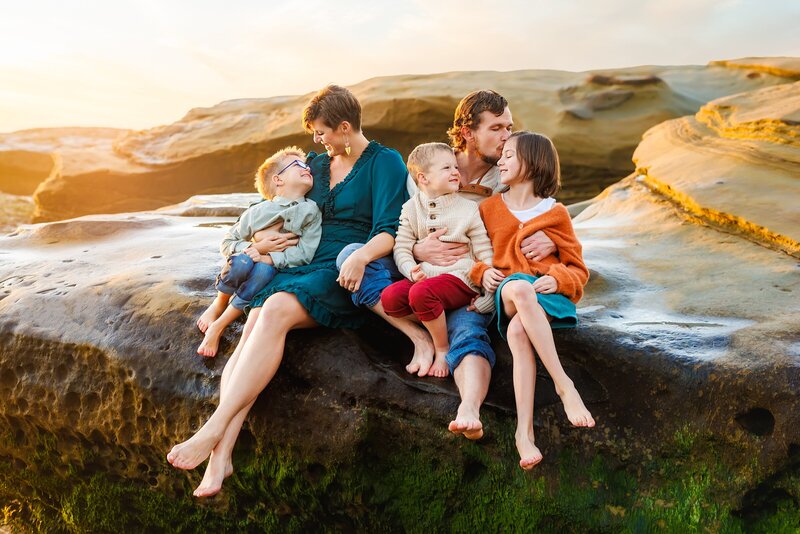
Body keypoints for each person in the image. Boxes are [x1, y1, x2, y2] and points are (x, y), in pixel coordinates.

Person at [167, 85, 409, 497]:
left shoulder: (385, 164)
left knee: (274, 309)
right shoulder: (314, 163)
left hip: (341, 265)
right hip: (299, 258)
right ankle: (221, 453)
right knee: (254, 320)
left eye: (322, 133)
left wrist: (361, 256)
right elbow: (276, 204)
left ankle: (212, 429)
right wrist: (256, 246)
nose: (317, 142)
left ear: (345, 127)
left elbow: (390, 228)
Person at [480, 131, 594, 470]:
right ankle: (564, 385)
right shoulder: (488, 208)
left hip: (545, 294)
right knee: (519, 289)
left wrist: (556, 277)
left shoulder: (556, 214)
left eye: (509, 155)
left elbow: (578, 269)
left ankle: (523, 434)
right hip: (509, 290)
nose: (500, 161)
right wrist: (481, 273)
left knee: (518, 334)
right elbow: (476, 255)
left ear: (532, 162)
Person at [380, 142, 495, 378]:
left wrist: (489, 296)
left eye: (455, 166)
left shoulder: (468, 208)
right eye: (446, 168)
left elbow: (485, 252)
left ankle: (442, 348)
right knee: (389, 299)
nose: (456, 172)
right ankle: (436, 317)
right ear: (423, 178)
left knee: (421, 294)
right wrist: (411, 270)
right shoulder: (410, 208)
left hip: (460, 277)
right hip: (426, 277)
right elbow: (401, 246)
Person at [195, 146, 322, 357]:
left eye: (306, 165)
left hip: (272, 268)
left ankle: (220, 325)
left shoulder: (311, 211)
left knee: (262, 271)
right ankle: (219, 304)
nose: (306, 167)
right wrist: (255, 247)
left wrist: (269, 257)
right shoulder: (257, 212)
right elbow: (228, 242)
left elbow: (305, 253)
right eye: (298, 165)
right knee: (241, 262)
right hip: (246, 263)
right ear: (278, 180)